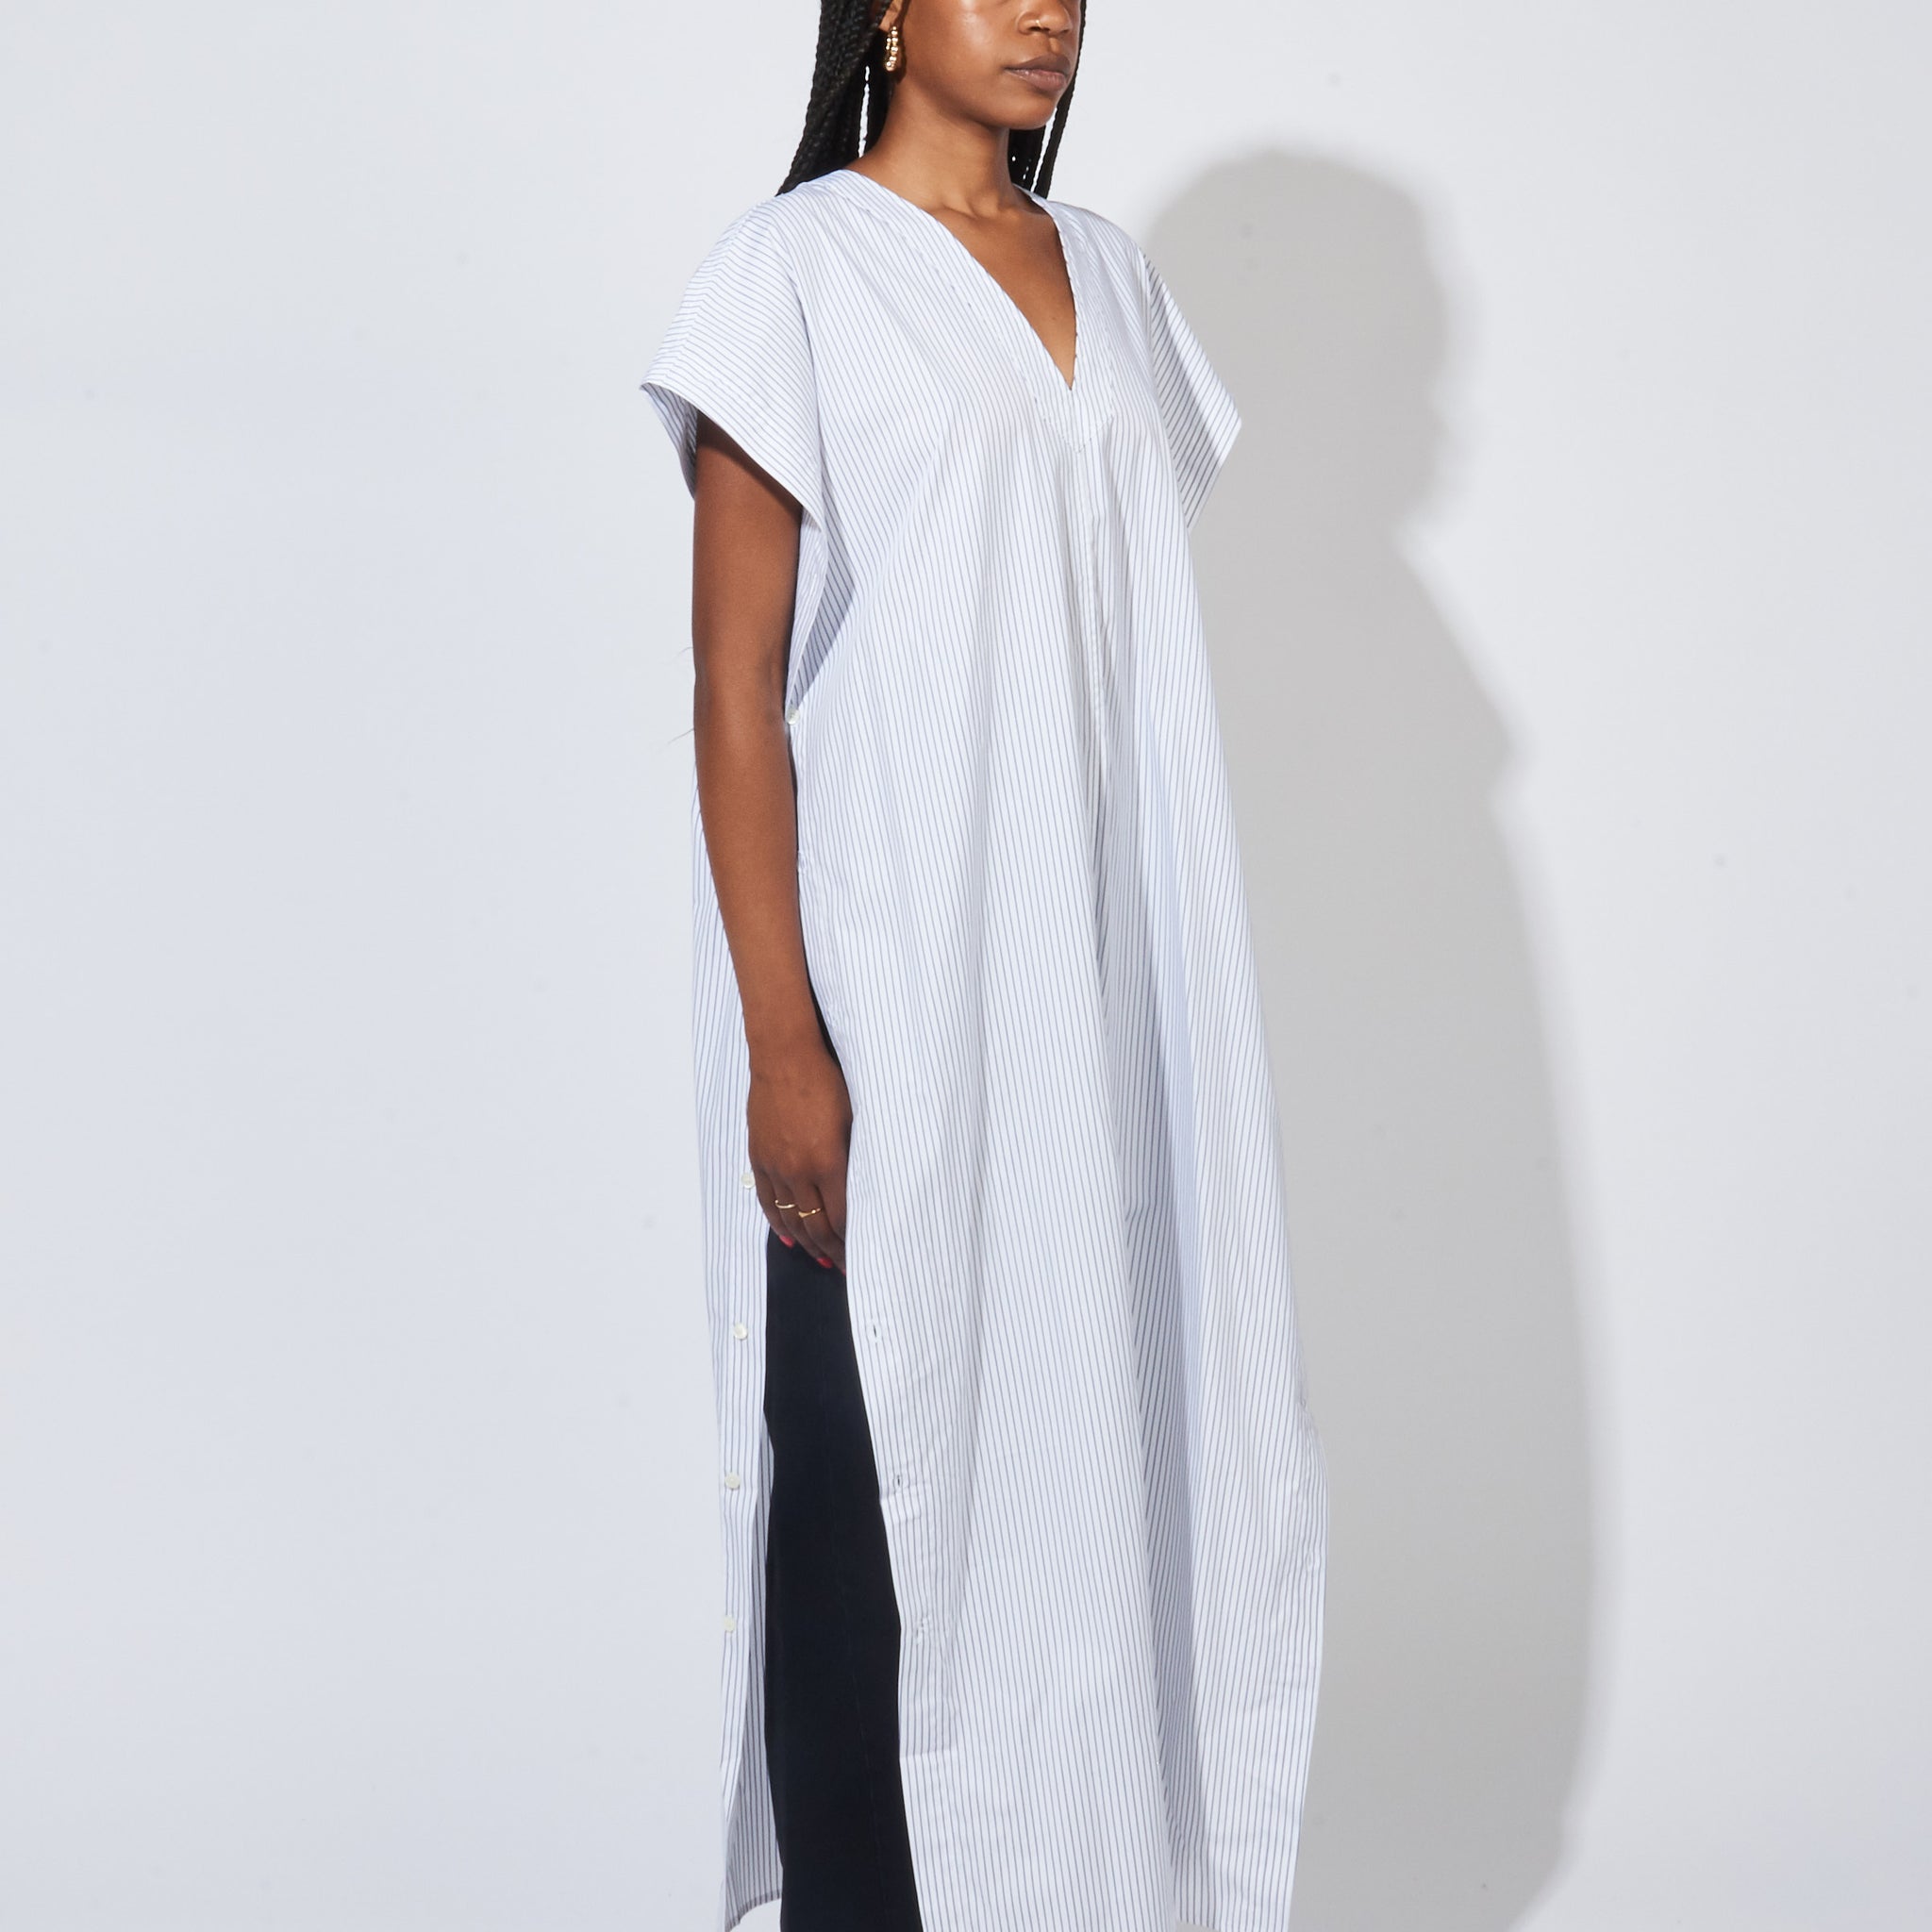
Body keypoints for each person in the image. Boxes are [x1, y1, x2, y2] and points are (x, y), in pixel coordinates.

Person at [640, 4, 1328, 1929]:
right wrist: (784, 1039)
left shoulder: (1110, 273)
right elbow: (732, 690)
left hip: (1103, 990)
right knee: (882, 1501)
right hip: (891, 989)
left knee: (1105, 1476)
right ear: (880, 6)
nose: (1049, 11)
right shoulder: (788, 277)